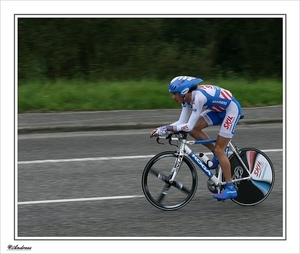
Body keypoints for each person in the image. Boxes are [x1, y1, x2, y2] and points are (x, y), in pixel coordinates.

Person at [151, 76, 243, 200]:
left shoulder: (198, 97)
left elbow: (187, 126)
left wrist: (166, 129)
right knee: (196, 131)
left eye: (174, 94)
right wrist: (162, 128)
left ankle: (230, 188)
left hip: (231, 110)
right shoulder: (187, 99)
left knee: (219, 149)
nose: (173, 97)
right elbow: (182, 121)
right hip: (218, 110)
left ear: (183, 92)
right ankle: (216, 153)